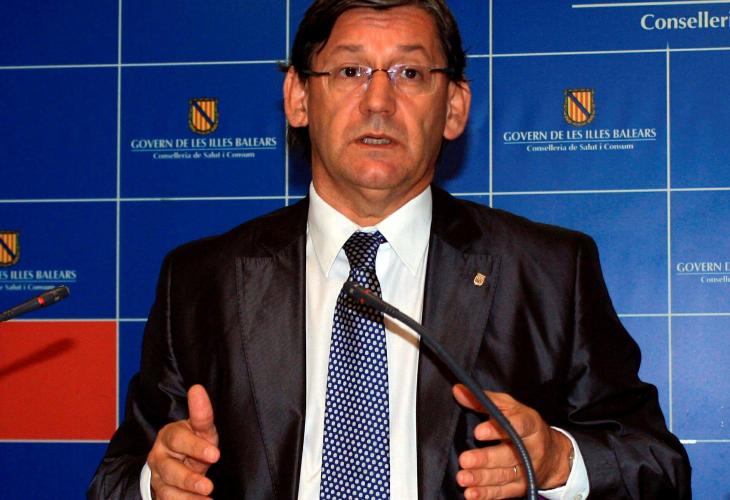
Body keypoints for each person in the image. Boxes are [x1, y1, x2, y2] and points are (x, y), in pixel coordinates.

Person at [89, 0, 691, 498]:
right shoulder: (202, 278)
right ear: (298, 97)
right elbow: (115, 480)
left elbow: (658, 468)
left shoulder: (550, 270)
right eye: (350, 70)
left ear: (454, 107)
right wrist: (156, 483)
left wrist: (558, 461)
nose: (378, 101)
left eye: (410, 73)